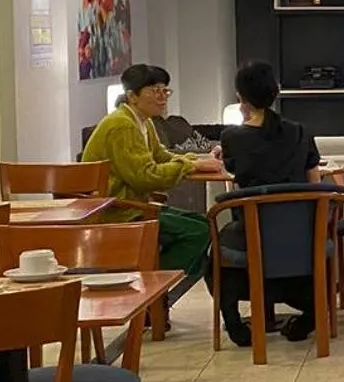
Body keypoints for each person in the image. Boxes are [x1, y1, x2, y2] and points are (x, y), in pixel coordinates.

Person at [216, 60, 323, 347]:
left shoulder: (232, 137)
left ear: (241, 97)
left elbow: (234, 184)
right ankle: (311, 312)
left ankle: (236, 325)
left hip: (253, 232)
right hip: (302, 234)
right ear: (275, 93)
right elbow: (315, 182)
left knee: (214, 249)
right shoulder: (300, 131)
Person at [81, 63, 213, 276]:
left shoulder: (144, 121)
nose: (162, 97)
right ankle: (152, 286)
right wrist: (192, 165)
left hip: (136, 205)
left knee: (202, 223)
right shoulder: (122, 126)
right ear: (132, 96)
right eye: (154, 91)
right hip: (118, 211)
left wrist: (199, 160)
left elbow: (162, 156)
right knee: (198, 232)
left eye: (165, 91)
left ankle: (160, 291)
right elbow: (146, 176)